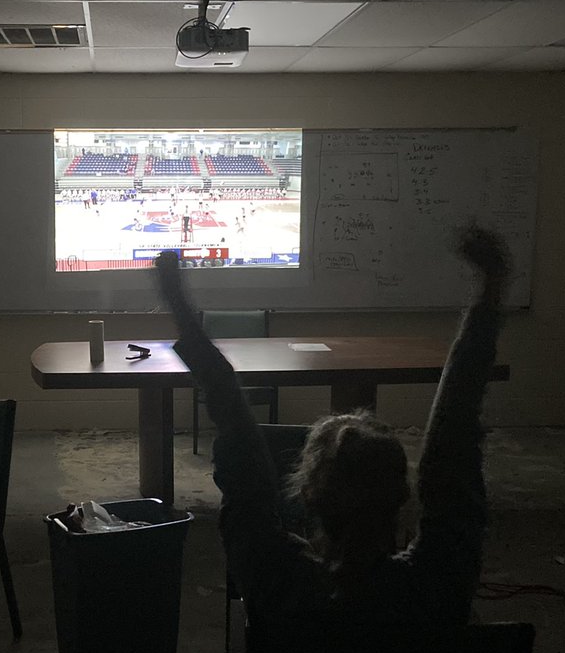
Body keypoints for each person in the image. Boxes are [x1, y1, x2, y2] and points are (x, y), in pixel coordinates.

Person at [152, 224, 509, 628]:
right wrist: (491, 290)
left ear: (305, 494)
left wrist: (180, 309)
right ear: (402, 496)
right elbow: (453, 444)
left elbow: (242, 457)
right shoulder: (437, 585)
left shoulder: (276, 581)